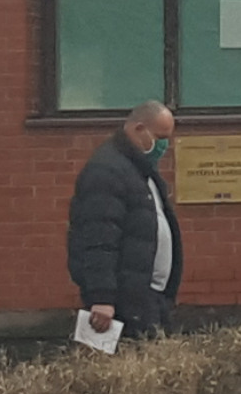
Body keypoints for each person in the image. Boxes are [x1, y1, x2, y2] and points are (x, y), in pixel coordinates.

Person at [66, 101, 181, 337]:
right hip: (123, 304)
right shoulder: (106, 171)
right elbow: (99, 238)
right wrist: (102, 298)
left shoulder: (139, 170)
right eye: (160, 137)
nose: (164, 146)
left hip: (147, 296)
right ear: (139, 129)